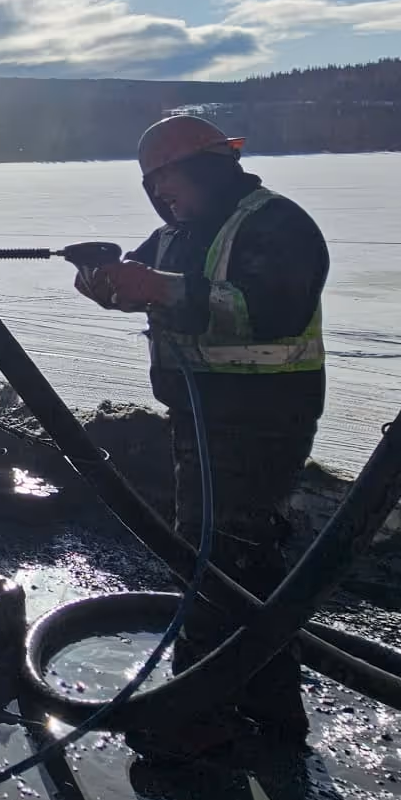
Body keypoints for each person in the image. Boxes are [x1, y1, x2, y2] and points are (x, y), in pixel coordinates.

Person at [73, 114, 329, 757]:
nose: (163, 195)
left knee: (217, 561)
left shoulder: (277, 223)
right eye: (153, 185)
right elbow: (151, 287)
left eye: (171, 179)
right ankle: (267, 713)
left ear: (212, 168)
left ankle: (192, 712)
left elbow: (269, 307)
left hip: (261, 420)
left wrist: (157, 286)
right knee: (232, 564)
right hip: (198, 417)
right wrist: (110, 284)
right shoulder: (175, 235)